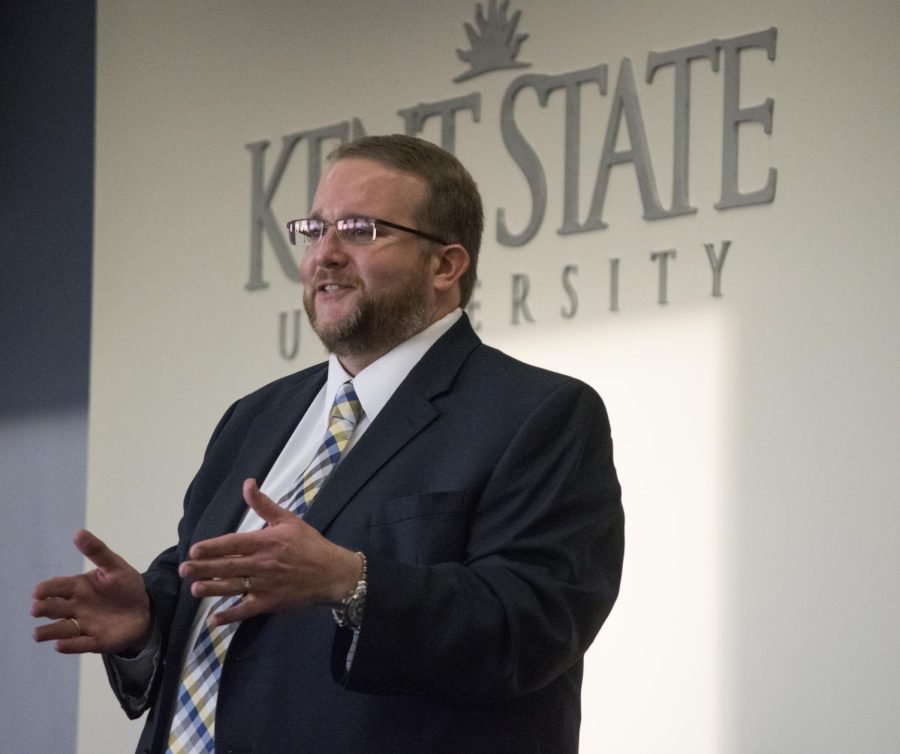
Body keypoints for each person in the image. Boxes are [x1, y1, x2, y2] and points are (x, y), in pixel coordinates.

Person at [32, 134, 624, 753]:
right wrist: (149, 624)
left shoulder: (537, 413)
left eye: (360, 231)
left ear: (446, 266)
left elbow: (535, 625)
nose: (326, 255)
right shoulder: (256, 416)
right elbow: (218, 600)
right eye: (315, 231)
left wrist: (354, 582)